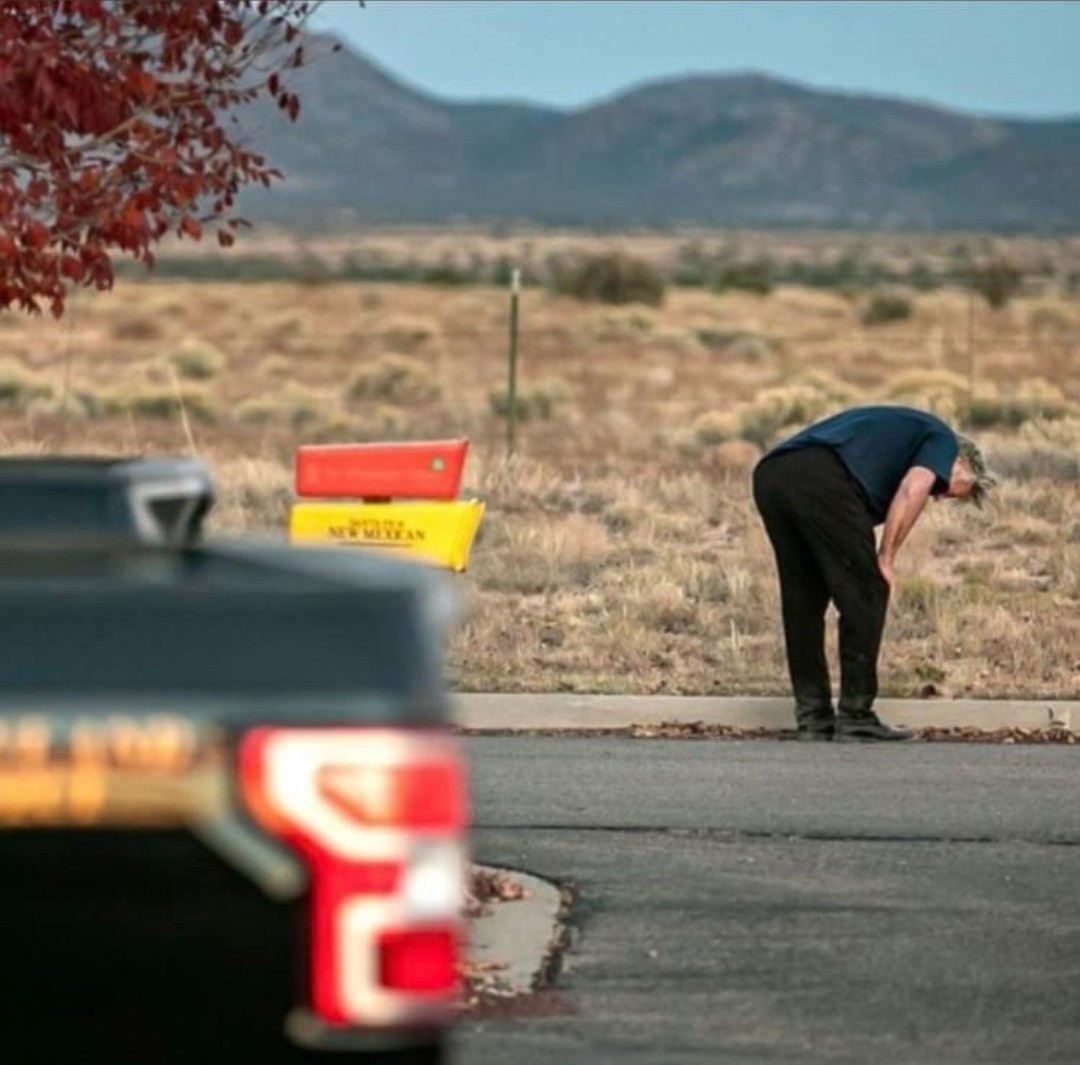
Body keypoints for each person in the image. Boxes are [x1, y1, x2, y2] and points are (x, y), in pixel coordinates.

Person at [751, 405, 996, 742]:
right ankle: (856, 717)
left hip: (772, 474)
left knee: (803, 603)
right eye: (945, 490)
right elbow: (913, 489)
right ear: (961, 463)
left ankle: (813, 718)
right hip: (820, 475)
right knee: (868, 591)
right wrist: (886, 558)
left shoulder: (900, 440)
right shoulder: (943, 440)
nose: (937, 497)